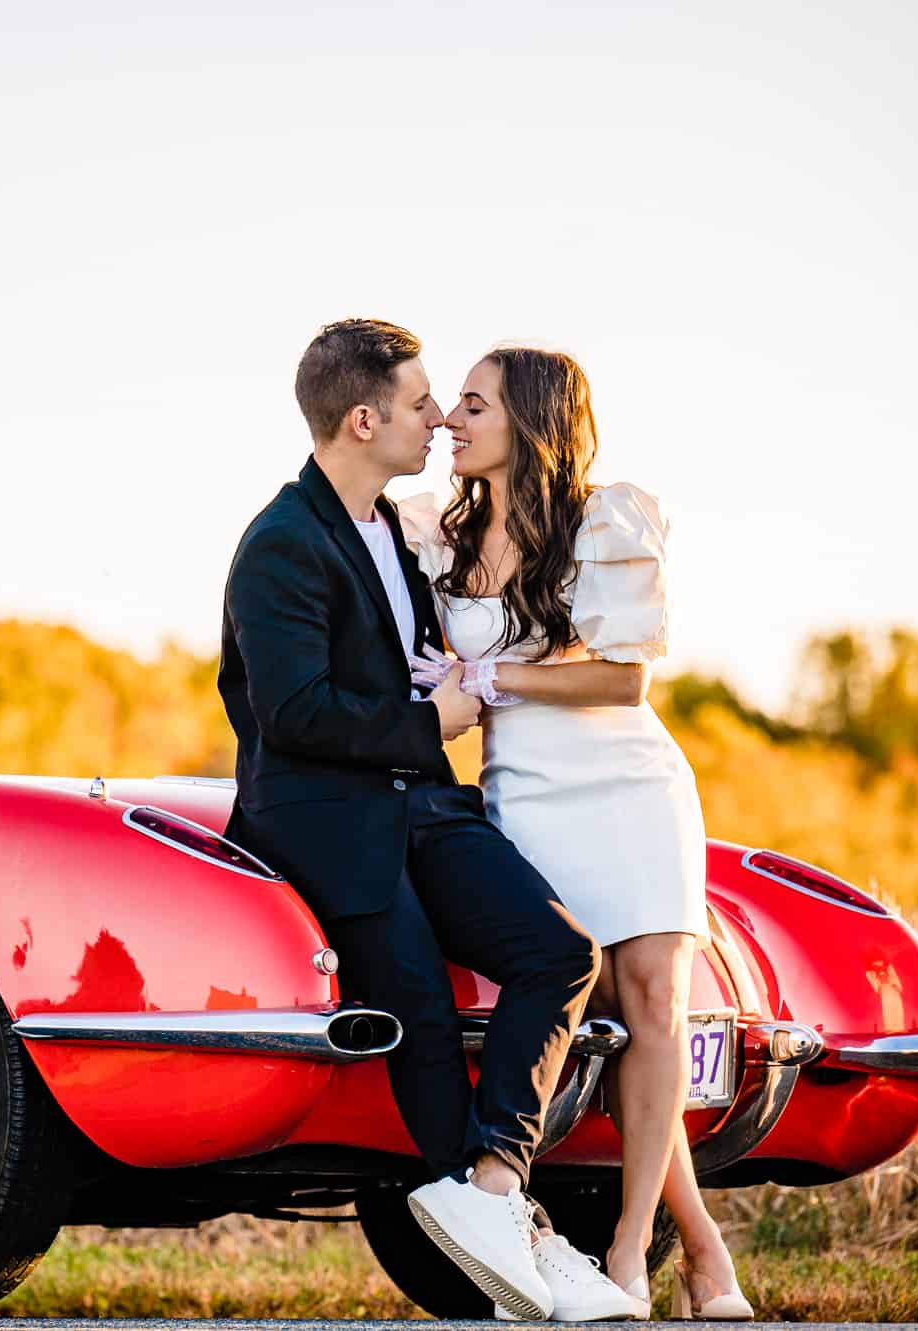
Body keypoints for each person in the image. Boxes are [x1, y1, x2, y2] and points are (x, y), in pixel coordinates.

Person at [218, 318, 632, 1321]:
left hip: (420, 805)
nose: (435, 417)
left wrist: (442, 710)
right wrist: (431, 718)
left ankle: (493, 1186)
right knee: (419, 1004)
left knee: (557, 950)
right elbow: (290, 713)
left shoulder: (393, 534)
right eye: (417, 403)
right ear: (361, 419)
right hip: (321, 823)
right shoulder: (278, 543)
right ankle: (499, 1256)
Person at [395, 346, 754, 1320]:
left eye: (473, 405)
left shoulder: (604, 517)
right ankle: (706, 1247)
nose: (450, 421)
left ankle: (632, 1252)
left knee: (653, 1008)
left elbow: (620, 677)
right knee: (597, 1009)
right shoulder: (436, 534)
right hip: (523, 797)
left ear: (530, 420)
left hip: (627, 787)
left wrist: (492, 679)